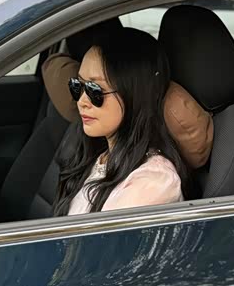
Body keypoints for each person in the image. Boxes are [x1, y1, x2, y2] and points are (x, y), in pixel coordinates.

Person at [53, 27, 189, 216]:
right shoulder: (98, 154)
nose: (82, 101)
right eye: (78, 85)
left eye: (95, 90)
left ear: (135, 95)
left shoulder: (152, 183)